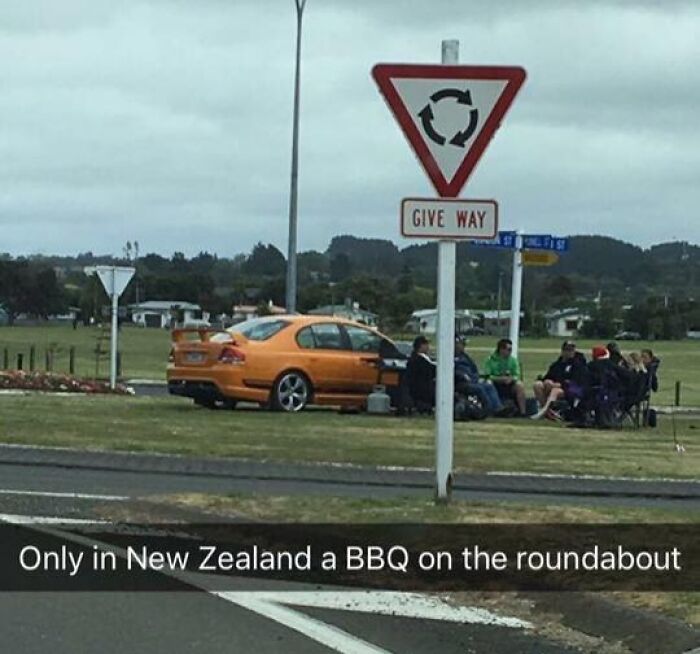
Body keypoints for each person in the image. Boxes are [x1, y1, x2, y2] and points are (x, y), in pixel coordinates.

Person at [531, 341, 588, 420]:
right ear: (563, 351)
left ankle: (543, 412)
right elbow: (549, 376)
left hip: (570, 389)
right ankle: (548, 412)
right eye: (567, 350)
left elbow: (577, 380)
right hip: (555, 386)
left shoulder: (578, 364)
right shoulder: (557, 364)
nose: (569, 352)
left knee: (555, 390)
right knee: (538, 385)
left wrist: (561, 384)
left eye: (571, 350)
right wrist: (546, 381)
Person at [454, 337, 504, 416]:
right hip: (461, 383)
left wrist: (477, 377)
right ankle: (488, 409)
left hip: (472, 380)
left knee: (488, 386)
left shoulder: (465, 356)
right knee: (479, 389)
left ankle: (498, 408)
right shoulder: (450, 357)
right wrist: (462, 375)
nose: (464, 346)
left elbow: (474, 369)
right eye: (462, 344)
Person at [483, 338, 526, 416]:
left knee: (520, 385)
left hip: (509, 384)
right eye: (508, 349)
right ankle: (496, 408)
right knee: (488, 383)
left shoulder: (513, 361)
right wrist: (499, 379)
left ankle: (522, 412)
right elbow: (487, 376)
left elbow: (517, 375)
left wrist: (511, 379)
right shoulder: (490, 360)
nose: (510, 352)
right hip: (495, 384)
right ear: (501, 350)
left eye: (511, 349)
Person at [406, 335, 436, 410]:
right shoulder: (418, 360)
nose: (428, 346)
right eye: (426, 344)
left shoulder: (424, 358)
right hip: (423, 390)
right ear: (421, 345)